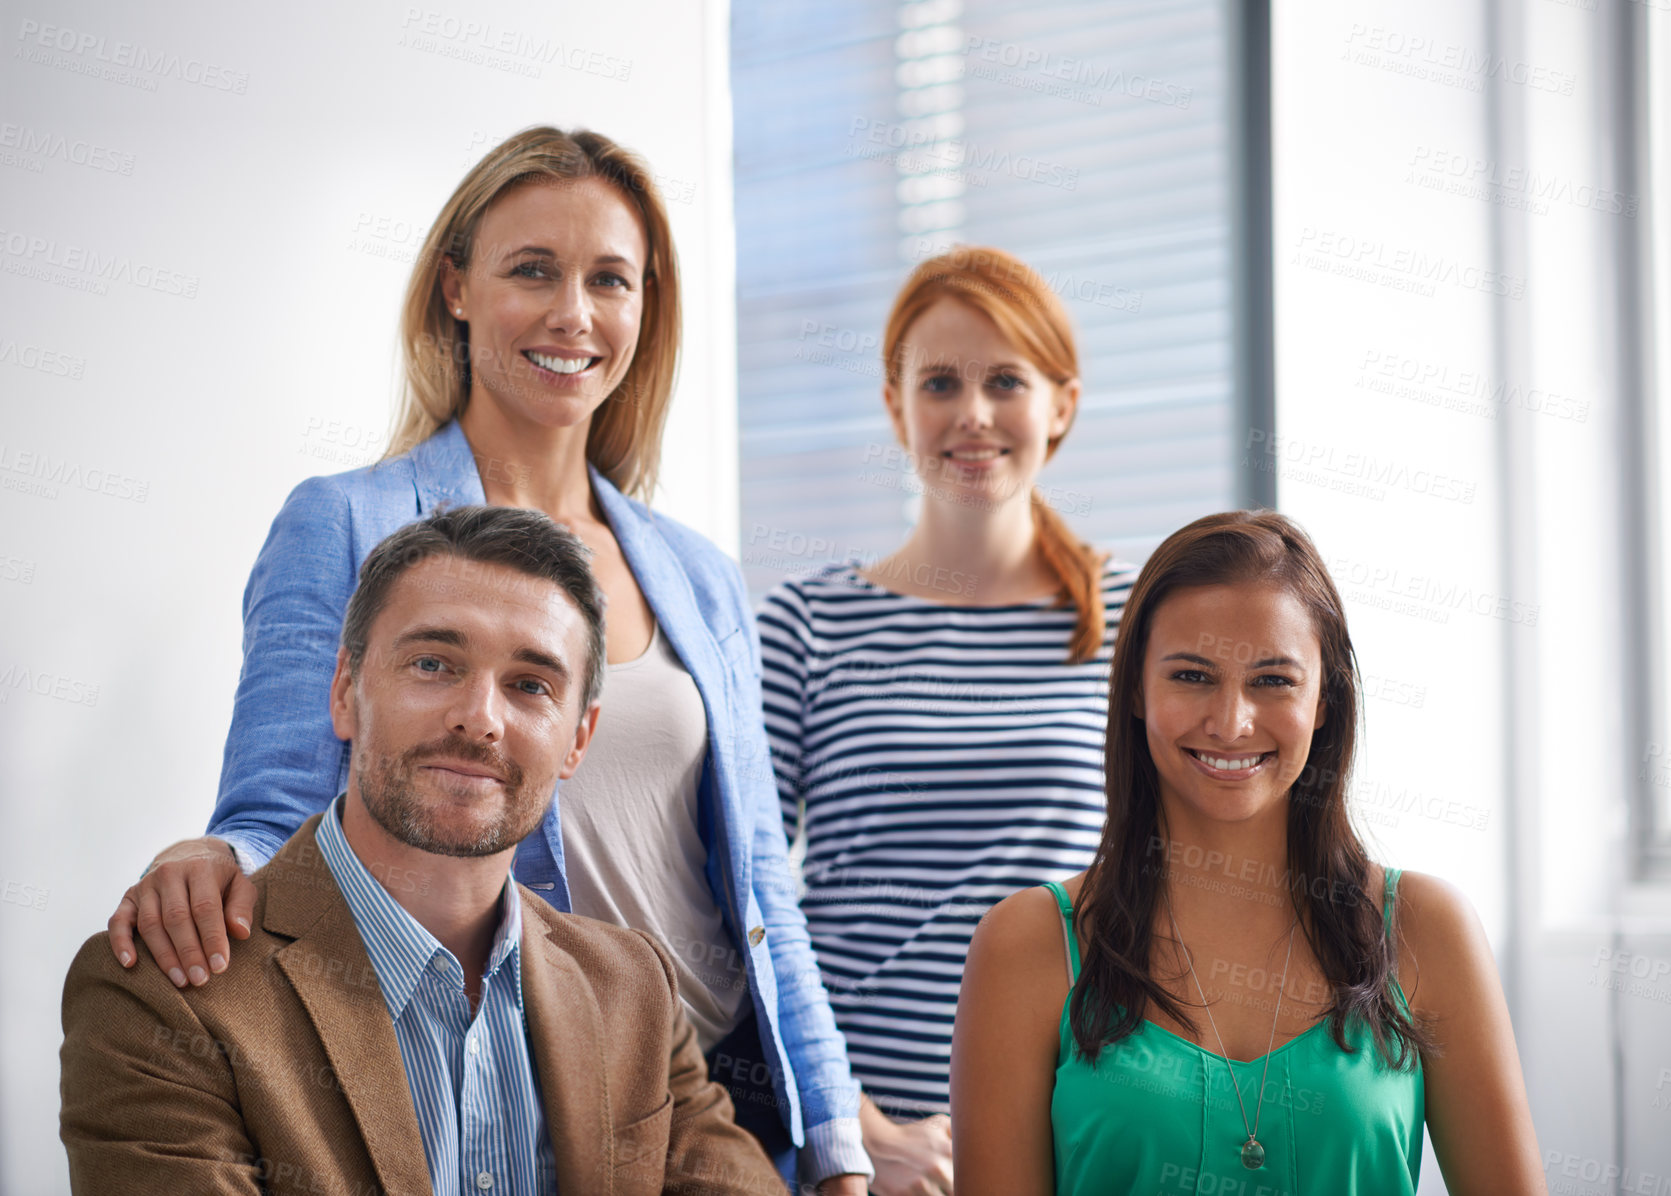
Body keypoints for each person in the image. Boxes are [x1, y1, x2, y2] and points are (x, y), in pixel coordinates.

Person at [102, 126, 868, 1192]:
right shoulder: (346, 521)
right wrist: (212, 855)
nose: (574, 314)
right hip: (525, 1090)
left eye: (611, 279)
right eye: (533, 271)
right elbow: (276, 800)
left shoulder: (696, 570)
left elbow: (759, 885)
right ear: (456, 289)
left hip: (719, 1100)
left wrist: (839, 1148)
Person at [61, 506, 785, 1195]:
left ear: (578, 739)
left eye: (530, 685)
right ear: (344, 691)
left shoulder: (632, 987)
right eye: (434, 664)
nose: (479, 719)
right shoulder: (164, 998)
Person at [950, 511, 1547, 1195]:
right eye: (1192, 676)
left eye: (1272, 680)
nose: (1231, 723)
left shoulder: (1424, 928)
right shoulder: (1025, 944)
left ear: (1324, 699)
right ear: (1136, 692)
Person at [757, 246, 1137, 1194]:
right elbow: (743, 903)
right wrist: (855, 1131)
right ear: (896, 408)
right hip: (866, 1149)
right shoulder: (805, 624)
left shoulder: (1140, 616)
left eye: (1004, 380)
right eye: (940, 383)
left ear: (1062, 404)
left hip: (1087, 1116)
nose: (971, 413)